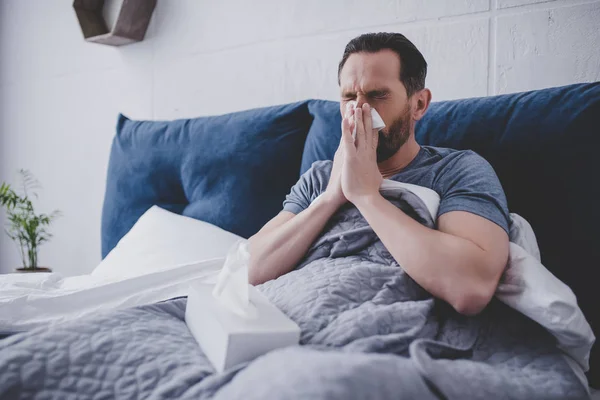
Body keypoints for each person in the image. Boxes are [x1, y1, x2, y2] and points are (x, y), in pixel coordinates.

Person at [248, 32, 510, 316]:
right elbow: (245, 269)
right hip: (288, 315)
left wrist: (365, 195)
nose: (359, 108)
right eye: (349, 96)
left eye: (378, 95)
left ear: (419, 104)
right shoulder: (319, 177)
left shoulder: (456, 170)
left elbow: (471, 286)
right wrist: (329, 198)